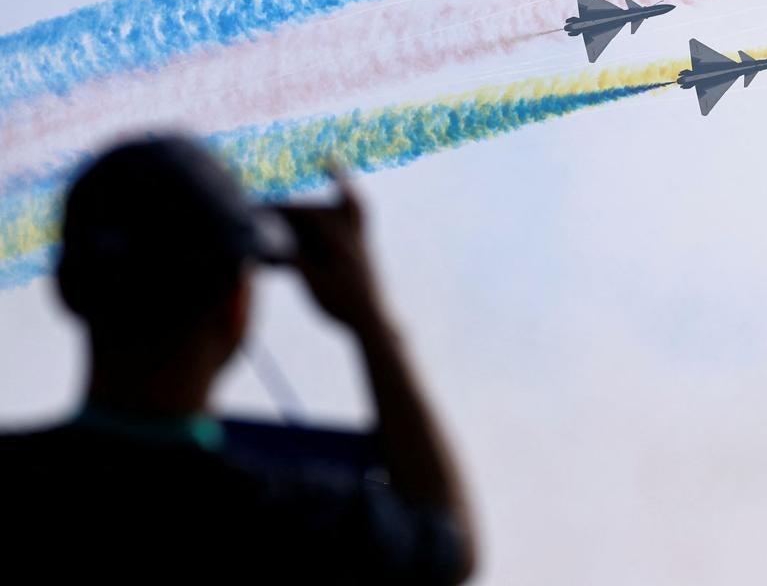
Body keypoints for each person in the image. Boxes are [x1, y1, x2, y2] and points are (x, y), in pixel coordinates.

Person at [0, 135, 477, 583]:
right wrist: (369, 322)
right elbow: (447, 544)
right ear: (236, 308)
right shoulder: (299, 524)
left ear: (66, 288)